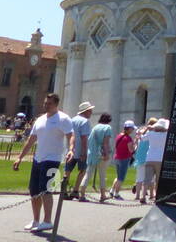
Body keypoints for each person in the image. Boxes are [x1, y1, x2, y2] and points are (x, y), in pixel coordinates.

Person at [13, 92, 74, 232]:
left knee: (45, 189)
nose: (46, 105)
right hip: (38, 158)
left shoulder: (63, 119)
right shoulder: (40, 119)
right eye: (45, 103)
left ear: (56, 104)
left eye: (49, 103)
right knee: (33, 190)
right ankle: (35, 220)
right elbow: (31, 140)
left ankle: (47, 221)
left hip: (52, 159)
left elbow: (71, 135)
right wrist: (20, 157)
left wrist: (71, 149)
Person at [64, 102, 94, 201]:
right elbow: (84, 138)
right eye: (90, 111)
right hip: (81, 150)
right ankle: (75, 191)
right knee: (82, 171)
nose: (91, 112)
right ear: (85, 111)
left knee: (67, 171)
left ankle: (63, 191)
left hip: (71, 150)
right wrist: (84, 153)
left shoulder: (72, 120)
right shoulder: (85, 121)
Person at [82, 113, 113, 202]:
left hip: (92, 153)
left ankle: (82, 194)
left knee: (88, 175)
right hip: (101, 154)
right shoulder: (108, 128)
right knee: (102, 175)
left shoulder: (95, 127)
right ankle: (102, 195)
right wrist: (106, 154)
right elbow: (105, 142)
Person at [110, 120, 135, 199]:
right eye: (132, 128)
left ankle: (112, 190)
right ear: (129, 129)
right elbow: (131, 150)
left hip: (117, 157)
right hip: (124, 158)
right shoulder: (128, 138)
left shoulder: (119, 135)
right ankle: (116, 194)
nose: (133, 130)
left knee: (118, 176)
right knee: (121, 178)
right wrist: (135, 145)